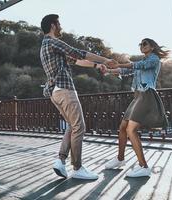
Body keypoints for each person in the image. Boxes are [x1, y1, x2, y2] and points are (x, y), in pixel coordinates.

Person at [40, 14, 114, 180]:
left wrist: (97, 65)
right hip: (65, 89)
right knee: (79, 127)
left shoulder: (46, 46)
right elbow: (79, 53)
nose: (61, 26)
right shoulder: (53, 42)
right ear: (53, 25)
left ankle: (60, 160)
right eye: (59, 23)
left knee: (71, 126)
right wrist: (106, 60)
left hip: (54, 92)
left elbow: (76, 60)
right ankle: (78, 168)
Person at [104, 38, 169, 177]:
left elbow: (139, 66)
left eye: (145, 44)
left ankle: (144, 166)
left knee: (131, 130)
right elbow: (126, 71)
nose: (142, 46)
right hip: (138, 96)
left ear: (152, 47)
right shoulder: (141, 62)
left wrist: (120, 63)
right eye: (140, 44)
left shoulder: (154, 60)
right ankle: (120, 159)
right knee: (122, 128)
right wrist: (109, 70)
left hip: (147, 94)